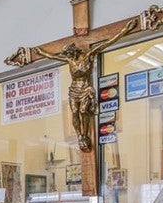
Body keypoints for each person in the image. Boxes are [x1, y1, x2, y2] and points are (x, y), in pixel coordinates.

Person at [28, 18, 138, 151]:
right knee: (74, 111)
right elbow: (52, 56)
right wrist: (40, 52)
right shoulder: (69, 60)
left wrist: (125, 30)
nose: (69, 56)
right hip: (74, 90)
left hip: (85, 88)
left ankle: (85, 134)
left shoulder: (88, 56)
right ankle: (80, 136)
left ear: (74, 51)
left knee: (83, 110)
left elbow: (108, 42)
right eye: (68, 55)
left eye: (70, 53)